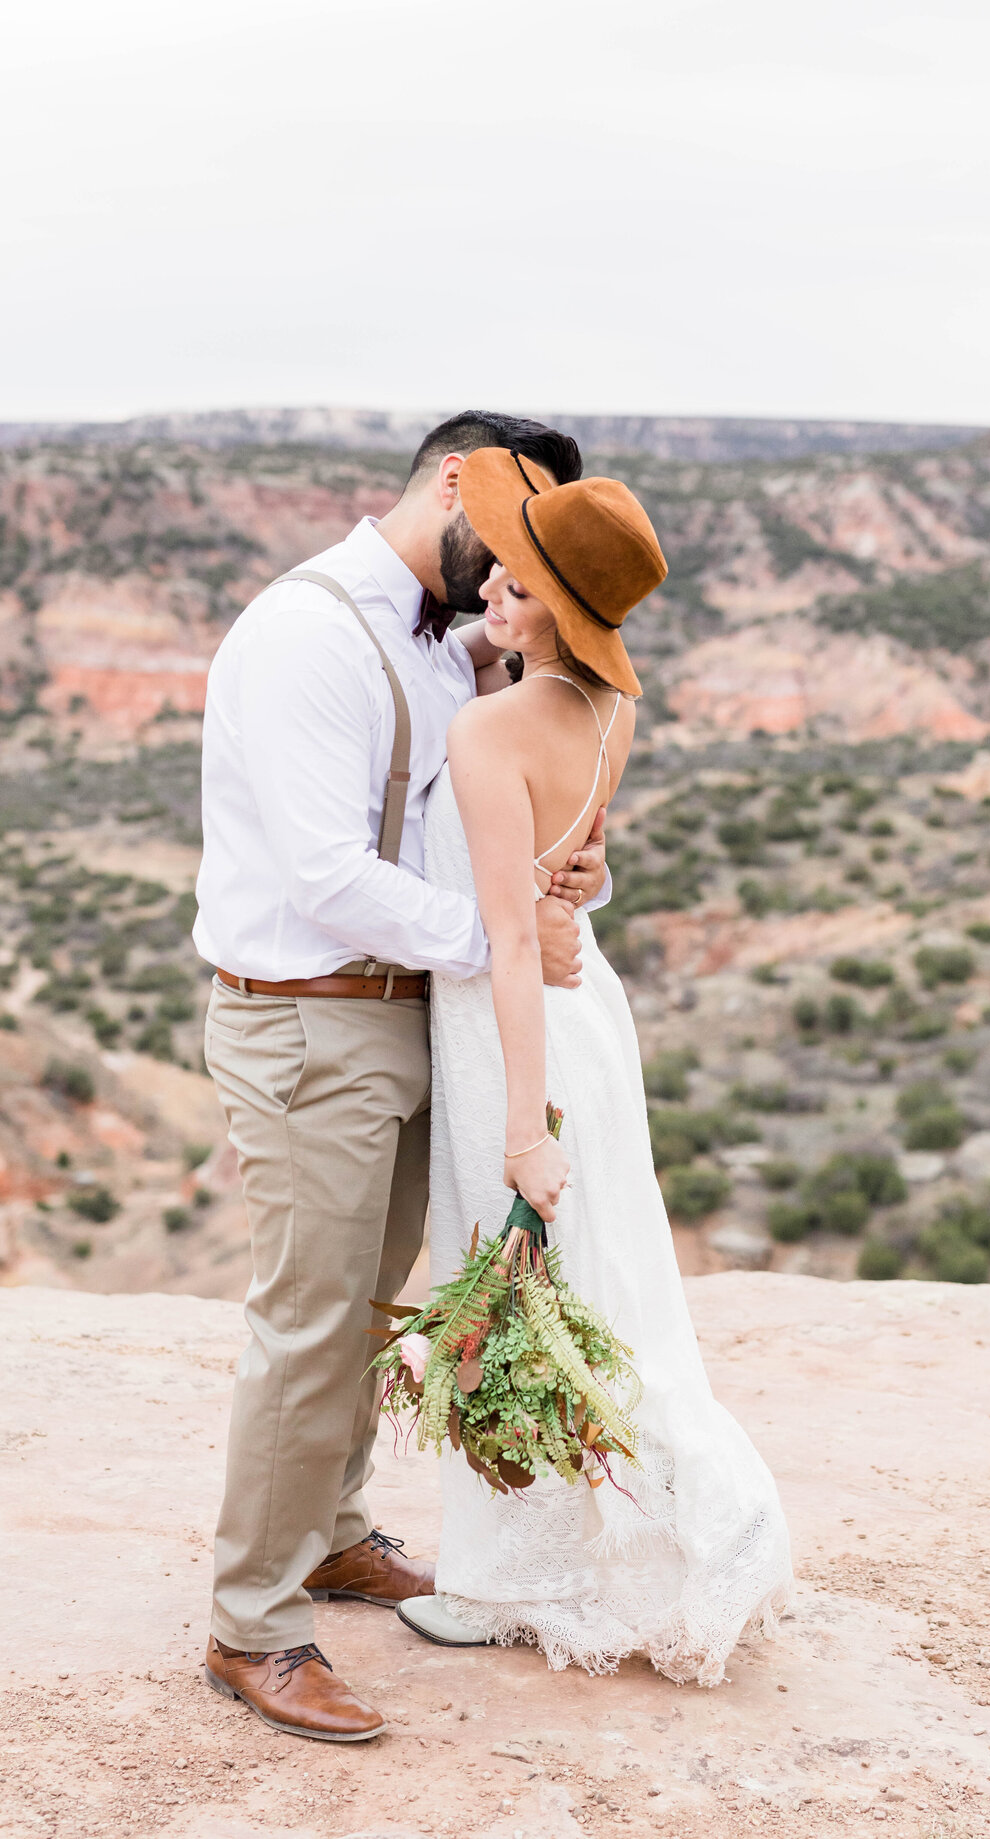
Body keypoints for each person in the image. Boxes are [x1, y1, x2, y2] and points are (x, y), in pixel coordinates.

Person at [195, 412, 612, 1742]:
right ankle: (251, 1620)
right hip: (311, 1021)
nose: (520, 566)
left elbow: (464, 840)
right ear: (454, 482)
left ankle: (327, 1531)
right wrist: (505, 942)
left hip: (406, 1015)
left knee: (371, 1310)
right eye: (515, 527)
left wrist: (560, 880)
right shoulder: (311, 634)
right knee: (312, 1319)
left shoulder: (455, 652)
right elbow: (326, 873)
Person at [396, 449, 793, 1685]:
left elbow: (513, 942)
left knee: (518, 1278)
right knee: (609, 1288)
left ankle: (518, 1578)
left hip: (512, 1029)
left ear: (553, 605)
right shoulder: (609, 709)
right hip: (591, 1015)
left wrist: (525, 1131)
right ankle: (641, 1535)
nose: (491, 590)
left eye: (513, 581)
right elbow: (567, 882)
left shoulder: (489, 728)